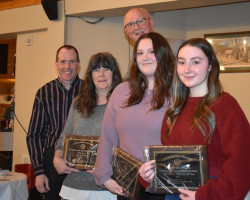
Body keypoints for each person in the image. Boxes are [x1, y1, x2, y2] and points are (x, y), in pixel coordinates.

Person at [139, 38, 250, 200]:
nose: (187, 69)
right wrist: (148, 175)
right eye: (182, 62)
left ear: (211, 66)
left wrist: (206, 195)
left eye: (195, 62)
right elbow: (172, 164)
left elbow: (242, 162)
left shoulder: (225, 105)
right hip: (176, 195)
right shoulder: (174, 111)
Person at [94, 32, 176, 200]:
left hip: (165, 187)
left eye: (151, 52)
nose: (144, 57)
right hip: (128, 186)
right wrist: (103, 175)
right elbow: (108, 136)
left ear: (163, 55)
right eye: (139, 53)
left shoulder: (177, 94)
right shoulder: (121, 91)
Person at [53, 52, 122, 200]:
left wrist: (108, 166)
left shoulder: (123, 106)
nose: (101, 74)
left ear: (114, 73)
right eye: (96, 69)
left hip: (107, 188)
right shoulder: (78, 103)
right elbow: (63, 138)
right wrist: (56, 158)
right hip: (74, 186)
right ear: (90, 75)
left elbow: (128, 147)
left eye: (106, 69)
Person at [26, 45, 83, 200]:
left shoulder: (89, 91)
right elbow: (34, 136)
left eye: (72, 62)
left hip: (82, 161)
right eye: (63, 62)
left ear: (78, 64)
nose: (67, 66)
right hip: (51, 162)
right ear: (56, 64)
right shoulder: (43, 93)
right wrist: (39, 172)